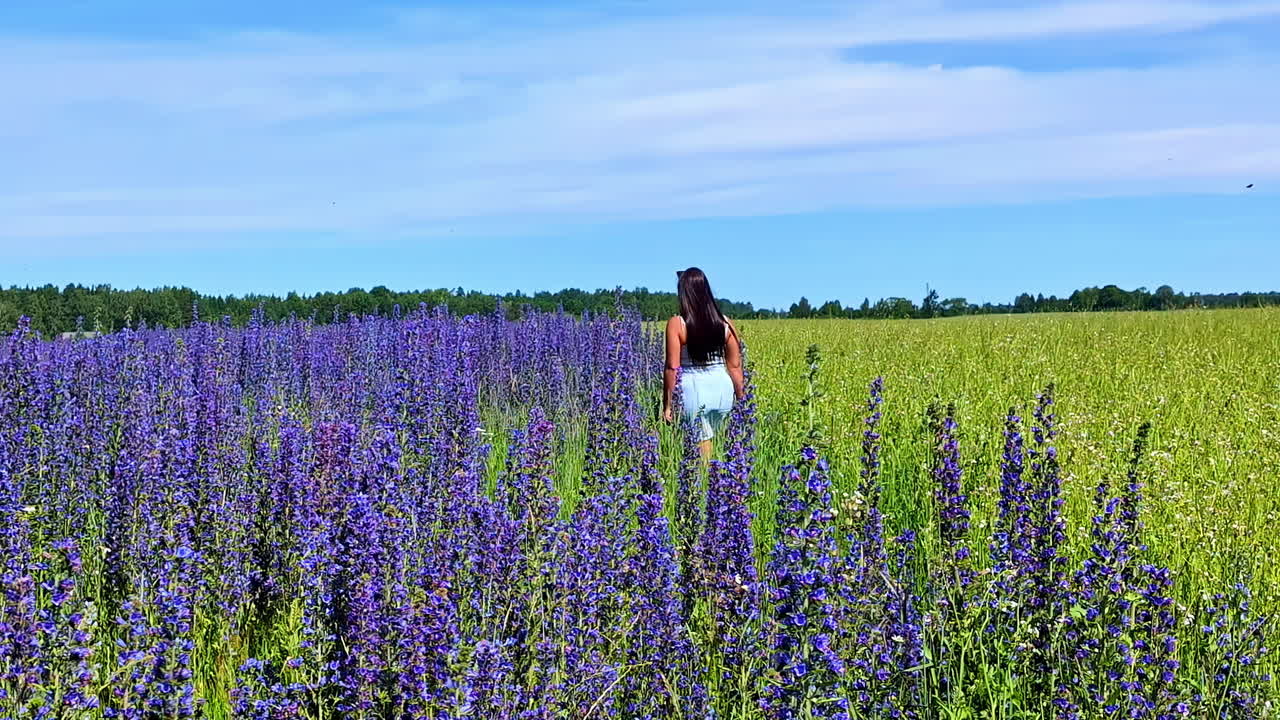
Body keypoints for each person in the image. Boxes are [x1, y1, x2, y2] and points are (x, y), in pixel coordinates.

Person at [662, 267, 745, 459]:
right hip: (723, 390)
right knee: (722, 445)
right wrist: (743, 399)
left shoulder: (678, 323)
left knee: (700, 457)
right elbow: (734, 366)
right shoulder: (725, 323)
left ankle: (704, 486)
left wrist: (668, 403)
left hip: (694, 390)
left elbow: (672, 367)